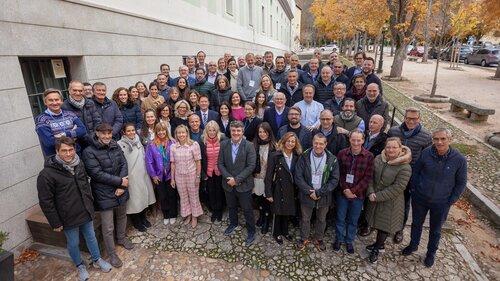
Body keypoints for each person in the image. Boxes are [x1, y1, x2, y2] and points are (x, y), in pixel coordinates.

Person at [37, 137, 112, 281]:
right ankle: (79, 265)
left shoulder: (79, 164)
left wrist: (90, 203)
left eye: (71, 150)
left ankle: (97, 260)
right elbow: (46, 201)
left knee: (91, 237)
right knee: (74, 243)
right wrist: (55, 222)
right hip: (67, 216)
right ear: (57, 152)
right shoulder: (46, 174)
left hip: (85, 210)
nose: (68, 154)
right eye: (64, 151)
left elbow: (85, 185)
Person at [402, 128, 467, 268]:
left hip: (442, 202)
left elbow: (461, 182)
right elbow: (416, 171)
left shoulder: (459, 159)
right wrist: (414, 189)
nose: (439, 142)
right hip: (420, 198)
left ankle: (431, 253)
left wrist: (451, 200)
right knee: (416, 224)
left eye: (443, 138)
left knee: (435, 229)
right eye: (436, 139)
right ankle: (413, 245)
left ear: (450, 139)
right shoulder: (426, 152)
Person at [82, 124, 133, 268]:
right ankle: (112, 253)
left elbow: (124, 163)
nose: (106, 136)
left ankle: (121, 238)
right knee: (108, 225)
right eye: (103, 134)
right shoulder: (89, 151)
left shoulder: (115, 145)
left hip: (120, 188)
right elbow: (96, 173)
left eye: (109, 133)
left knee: (122, 216)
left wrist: (122, 185)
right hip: (103, 192)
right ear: (97, 133)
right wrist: (119, 182)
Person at [388, 107, 432, 244]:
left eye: (414, 119)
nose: (411, 121)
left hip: (410, 176)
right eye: (408, 118)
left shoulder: (425, 137)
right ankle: (383, 223)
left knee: (404, 203)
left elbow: (427, 159)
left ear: (419, 119)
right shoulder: (393, 131)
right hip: (391, 172)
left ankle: (399, 229)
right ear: (404, 117)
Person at [365, 137, 412, 263]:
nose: (391, 150)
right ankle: (378, 245)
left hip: (390, 201)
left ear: (400, 149)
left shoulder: (405, 167)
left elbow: (399, 187)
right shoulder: (378, 159)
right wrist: (370, 191)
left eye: (394, 147)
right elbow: (370, 176)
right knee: (375, 220)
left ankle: (377, 248)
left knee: (384, 225)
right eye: (388, 147)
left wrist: (378, 196)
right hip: (374, 195)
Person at [295, 133, 340, 251]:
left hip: (323, 196)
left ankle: (319, 238)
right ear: (312, 143)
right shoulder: (304, 156)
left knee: (321, 219)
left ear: (325, 144)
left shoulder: (332, 159)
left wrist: (319, 193)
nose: (318, 146)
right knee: (305, 218)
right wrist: (309, 191)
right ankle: (304, 238)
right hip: (307, 194)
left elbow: (334, 180)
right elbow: (298, 176)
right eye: (316, 143)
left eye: (321, 143)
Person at [332, 129, 374, 254]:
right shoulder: (342, 153)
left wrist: (354, 191)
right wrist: (345, 189)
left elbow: (368, 177)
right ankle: (339, 238)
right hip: (342, 192)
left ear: (363, 140)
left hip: (358, 194)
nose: (356, 143)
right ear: (349, 140)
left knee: (353, 219)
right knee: (340, 217)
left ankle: (349, 240)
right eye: (353, 140)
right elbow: (337, 173)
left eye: (358, 140)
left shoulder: (369, 156)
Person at [218, 121, 257, 246]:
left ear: (242, 131)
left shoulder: (249, 145)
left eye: (238, 131)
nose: (236, 133)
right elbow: (220, 164)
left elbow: (251, 166)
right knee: (231, 206)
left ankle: (251, 231)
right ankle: (233, 223)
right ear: (230, 131)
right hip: (228, 183)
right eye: (233, 130)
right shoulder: (224, 144)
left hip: (244, 185)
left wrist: (237, 179)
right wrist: (229, 178)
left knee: (247, 209)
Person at [265, 132, 302, 245]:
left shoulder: (296, 157)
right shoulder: (275, 156)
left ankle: (285, 231)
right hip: (278, 188)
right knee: (278, 212)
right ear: (283, 142)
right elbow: (269, 176)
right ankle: (276, 233)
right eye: (288, 141)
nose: (290, 143)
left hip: (290, 189)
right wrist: (268, 193)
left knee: (287, 211)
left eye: (293, 141)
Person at [118, 123, 156, 232]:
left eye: (133, 130)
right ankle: (137, 222)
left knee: (143, 197)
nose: (131, 133)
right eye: (128, 131)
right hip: (132, 175)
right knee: (134, 201)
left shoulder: (137, 140)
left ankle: (143, 218)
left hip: (142, 173)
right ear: (124, 132)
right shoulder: (120, 144)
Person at [35, 88, 86, 158]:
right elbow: (49, 142)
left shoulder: (70, 114)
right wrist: (73, 136)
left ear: (61, 101)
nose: (55, 103)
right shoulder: (41, 119)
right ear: (45, 102)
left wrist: (64, 134)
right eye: (50, 100)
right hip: (56, 159)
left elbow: (83, 130)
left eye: (57, 99)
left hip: (76, 155)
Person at [145, 122, 178, 225]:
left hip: (170, 174)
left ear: (166, 131)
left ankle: (173, 214)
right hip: (158, 175)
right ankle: (166, 214)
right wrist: (153, 175)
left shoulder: (172, 142)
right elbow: (148, 161)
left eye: (163, 130)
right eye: (159, 130)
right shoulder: (151, 145)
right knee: (162, 196)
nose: (161, 132)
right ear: (156, 132)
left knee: (172, 194)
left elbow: (176, 159)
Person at [171, 125, 203, 228]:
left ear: (187, 133)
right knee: (183, 197)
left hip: (192, 174)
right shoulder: (173, 146)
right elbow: (173, 163)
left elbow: (198, 162)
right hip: (179, 176)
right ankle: (188, 215)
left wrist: (198, 177)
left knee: (193, 196)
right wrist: (172, 178)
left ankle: (195, 216)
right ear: (176, 135)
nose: (181, 135)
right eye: (178, 133)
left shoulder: (194, 144)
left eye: (183, 132)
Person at [200, 121, 226, 222]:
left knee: (219, 191)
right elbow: (201, 159)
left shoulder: (223, 140)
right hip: (209, 171)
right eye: (209, 130)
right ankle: (214, 210)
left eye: (214, 130)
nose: (211, 132)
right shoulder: (202, 142)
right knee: (211, 191)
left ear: (217, 130)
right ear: (206, 131)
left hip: (220, 171)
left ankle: (219, 211)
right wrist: (203, 174)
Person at [253, 122, 276, 235]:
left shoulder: (274, 146)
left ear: (269, 133)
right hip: (257, 176)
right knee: (259, 198)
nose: (262, 134)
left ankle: (266, 220)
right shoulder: (255, 144)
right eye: (260, 132)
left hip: (268, 178)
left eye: (264, 132)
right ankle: (261, 216)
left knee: (267, 199)